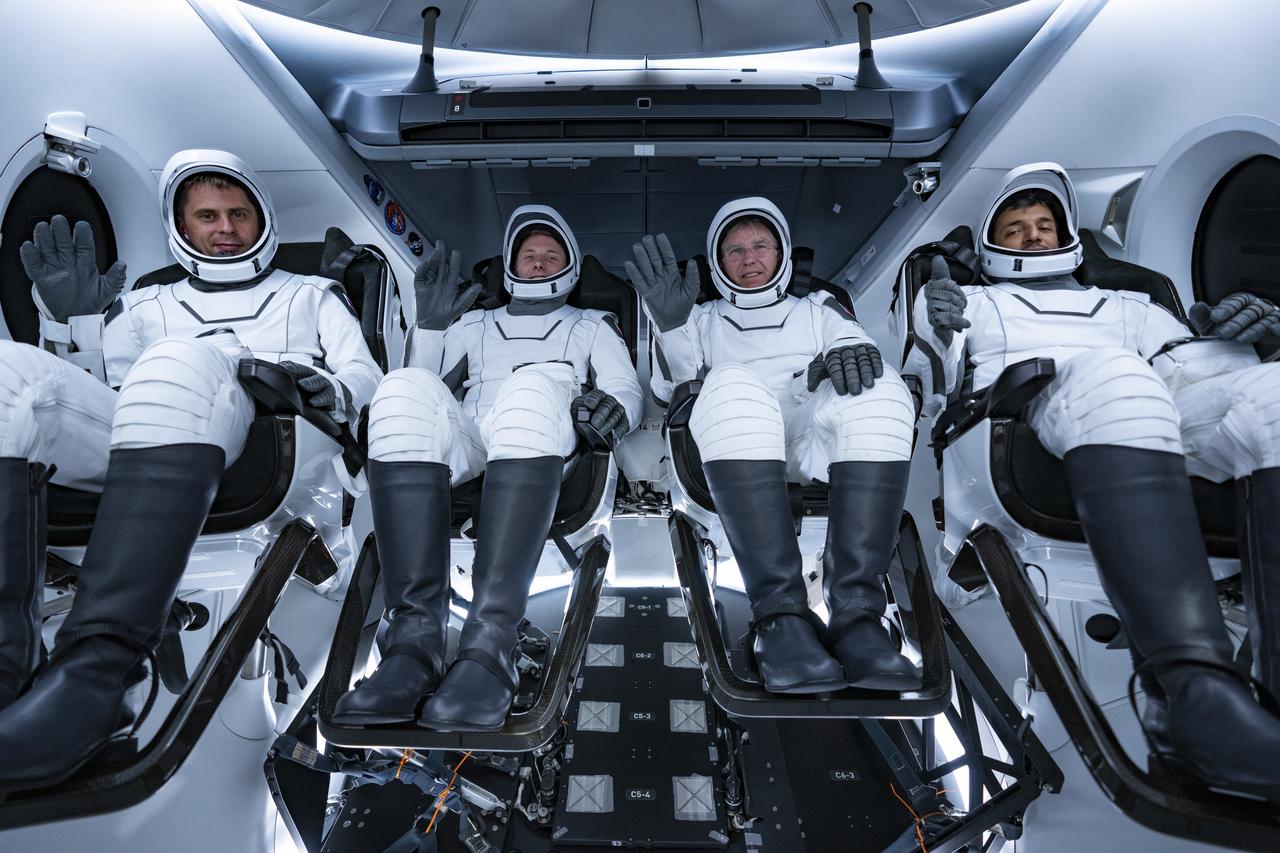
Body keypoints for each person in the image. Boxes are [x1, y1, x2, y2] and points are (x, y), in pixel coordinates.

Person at [0, 149, 381, 789]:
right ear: (182, 223)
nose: (224, 227)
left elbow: (364, 375)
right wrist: (78, 324)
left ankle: (98, 680)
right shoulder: (145, 304)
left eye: (238, 212)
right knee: (11, 377)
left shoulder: (310, 295)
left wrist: (325, 386)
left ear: (262, 218)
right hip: (152, 433)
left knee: (181, 360)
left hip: (277, 439)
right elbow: (97, 397)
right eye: (207, 215)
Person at [908, 161, 1280, 802]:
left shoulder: (1137, 306)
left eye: (1045, 224)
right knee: (1118, 375)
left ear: (1067, 236)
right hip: (1020, 415)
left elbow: (1192, 370)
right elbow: (931, 377)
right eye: (1016, 226)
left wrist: (1256, 341)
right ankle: (1186, 698)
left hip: (1155, 408)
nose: (1032, 236)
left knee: (1272, 395)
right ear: (992, 241)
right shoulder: (974, 303)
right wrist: (931, 322)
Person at [332, 205, 641, 731]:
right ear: (510, 264)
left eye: (551, 255)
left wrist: (612, 411)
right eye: (529, 254)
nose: (540, 264)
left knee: (529, 390)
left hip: (544, 429)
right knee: (400, 390)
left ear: (568, 266)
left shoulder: (590, 325)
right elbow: (423, 385)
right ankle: (412, 646)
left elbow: (626, 392)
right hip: (474, 436)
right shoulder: (473, 323)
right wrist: (429, 326)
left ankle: (490, 649)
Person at [628, 197, 919, 694]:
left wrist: (853, 347)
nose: (749, 259)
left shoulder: (818, 309)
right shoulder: (700, 318)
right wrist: (673, 327)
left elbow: (856, 349)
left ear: (781, 251)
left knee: (881, 385)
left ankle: (858, 619)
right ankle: (781, 618)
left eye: (760, 245)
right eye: (734, 250)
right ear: (718, 263)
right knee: (731, 381)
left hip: (811, 443)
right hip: (731, 443)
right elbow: (667, 390)